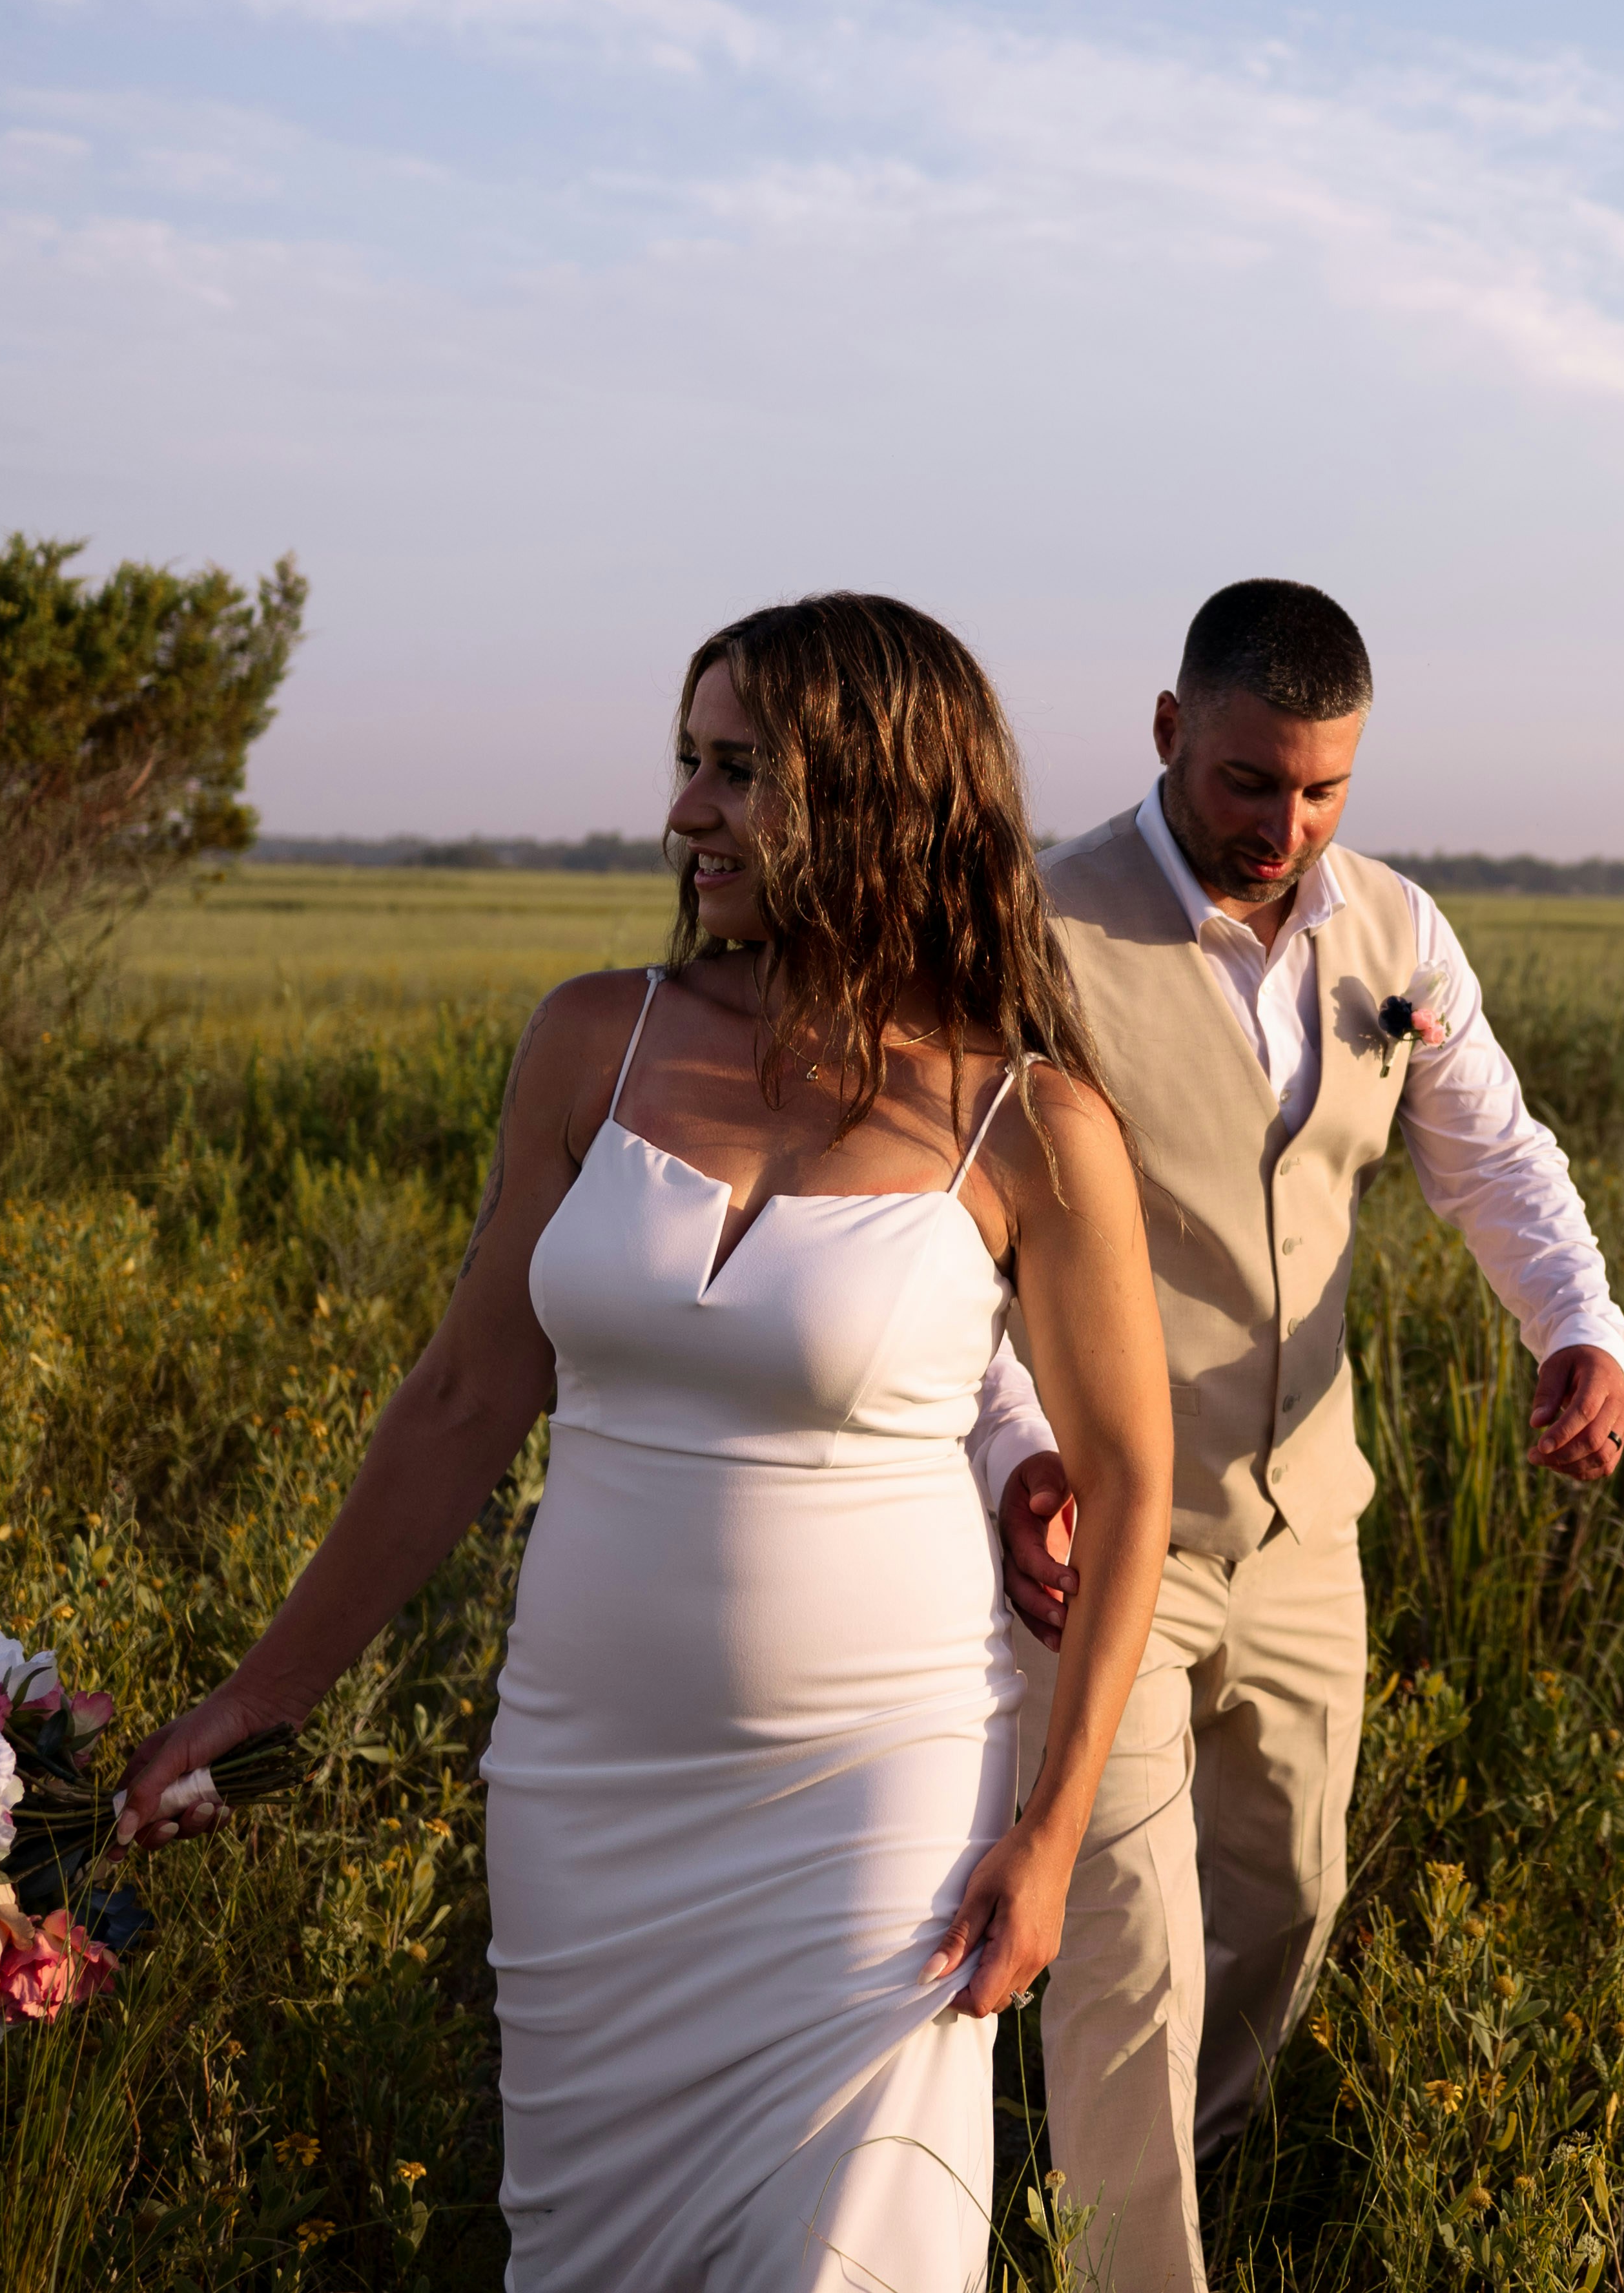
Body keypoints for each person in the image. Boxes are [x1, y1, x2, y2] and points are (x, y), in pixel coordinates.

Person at [118, 596, 1173, 2293]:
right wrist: (266, 1697)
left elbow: (1131, 1492)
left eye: (739, 773)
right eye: (689, 763)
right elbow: (464, 1399)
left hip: (878, 1813)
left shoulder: (1031, 1122)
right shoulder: (590, 1043)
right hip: (581, 1790)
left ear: (881, 800)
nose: (687, 811)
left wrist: (1048, 1834)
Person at [971, 579, 1624, 2292]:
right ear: (1169, 731)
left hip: (1305, 1535)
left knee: (1286, 1906)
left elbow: (1495, 1156)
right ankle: (1135, 2264)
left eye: (1325, 788)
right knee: (1127, 1946)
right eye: (1252, 781)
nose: (1288, 823)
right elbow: (951, 1236)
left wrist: (1579, 1328)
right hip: (1101, 1539)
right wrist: (1007, 1450)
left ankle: (1120, 2190)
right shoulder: (1035, 928)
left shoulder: (1398, 936)